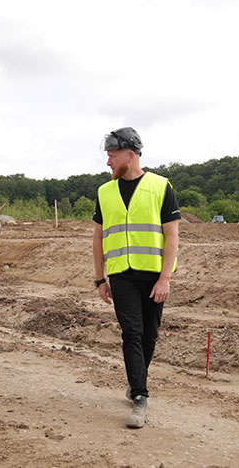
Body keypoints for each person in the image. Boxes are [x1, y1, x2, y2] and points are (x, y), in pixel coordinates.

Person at [92, 127, 180, 429]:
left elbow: (172, 237)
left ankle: (135, 380)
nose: (108, 163)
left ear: (131, 155)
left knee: (149, 334)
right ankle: (140, 396)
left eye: (112, 157)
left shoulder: (160, 187)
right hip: (121, 276)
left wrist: (165, 278)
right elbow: (98, 237)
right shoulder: (105, 192)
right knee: (131, 332)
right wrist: (99, 278)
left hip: (154, 275)